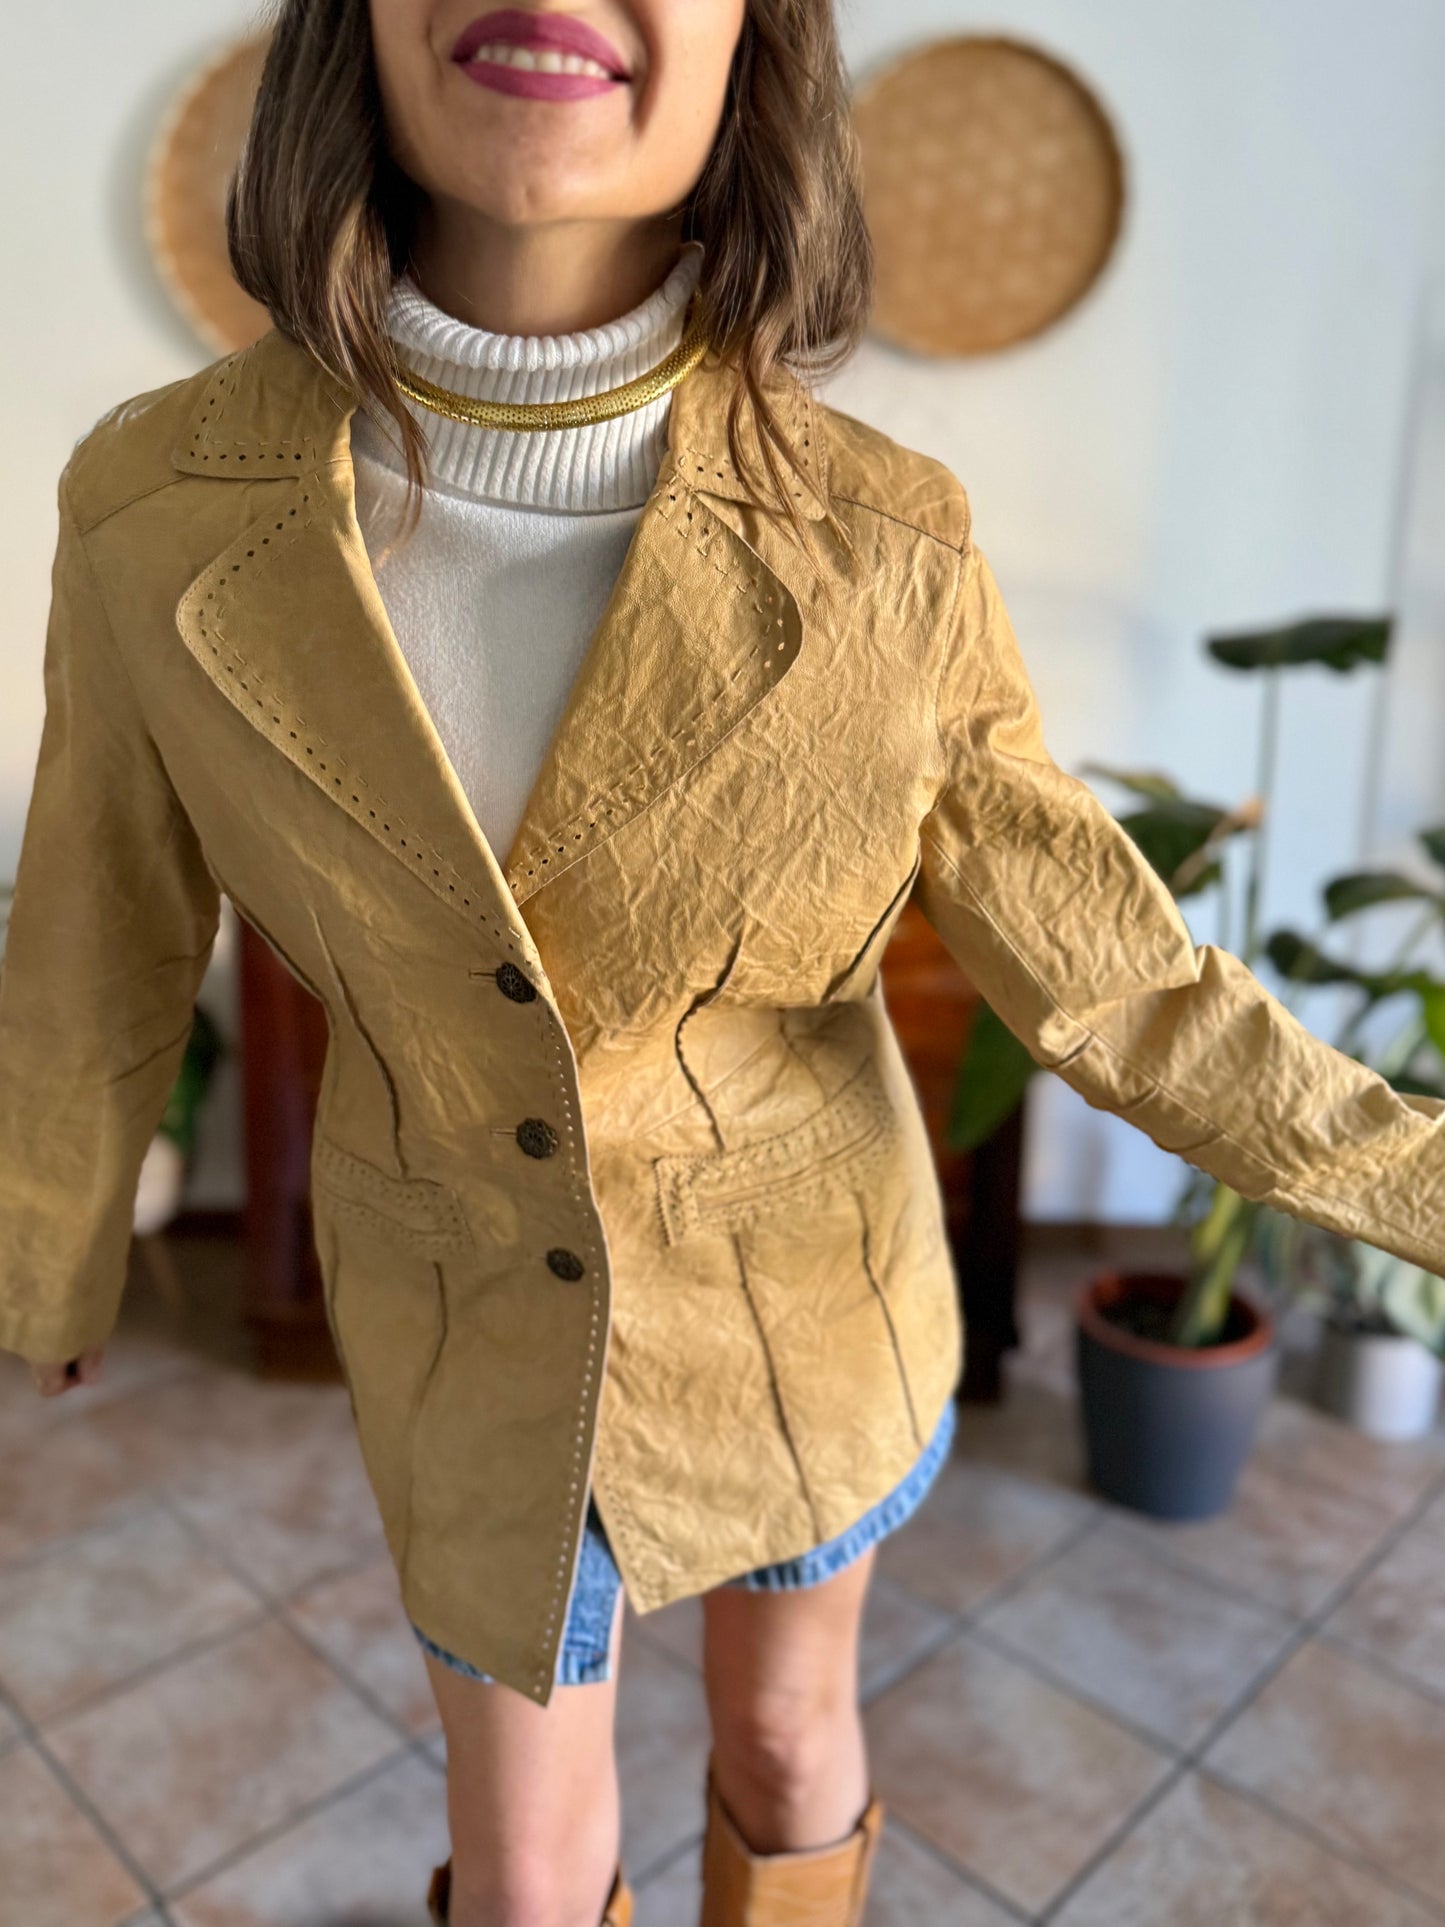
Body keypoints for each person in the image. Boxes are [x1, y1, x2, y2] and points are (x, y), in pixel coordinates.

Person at [1, 4, 1440, 1925]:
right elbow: (95, 911)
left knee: (783, 1743)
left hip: (802, 1309)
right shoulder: (150, 511)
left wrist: (1413, 1175)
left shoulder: (885, 547)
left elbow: (1115, 976)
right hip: (459, 1321)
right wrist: (52, 1235)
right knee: (523, 1871)